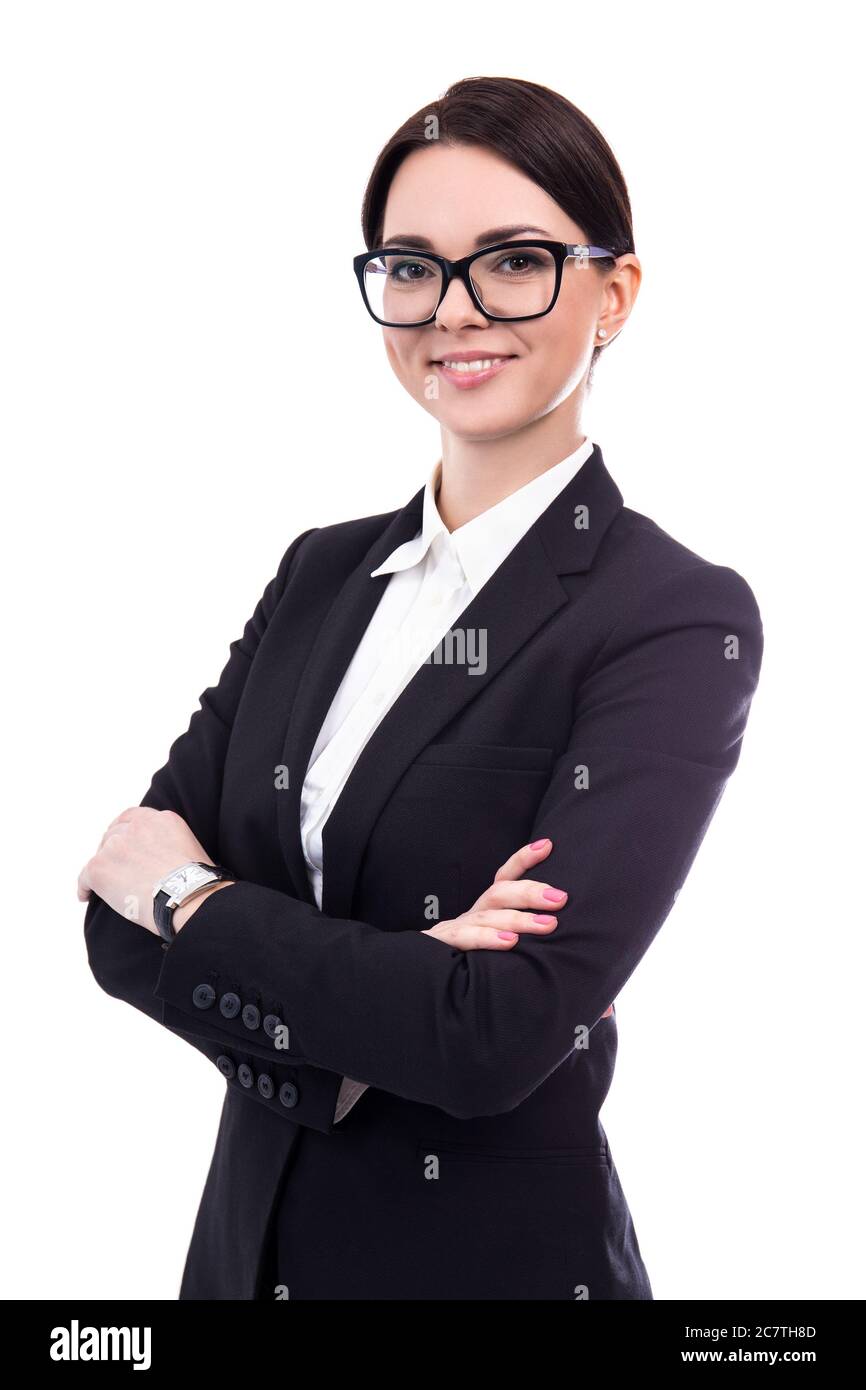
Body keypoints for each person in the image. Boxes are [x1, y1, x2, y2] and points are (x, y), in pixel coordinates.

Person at [80, 75, 763, 1300]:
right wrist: (377, 1005)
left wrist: (190, 894)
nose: (455, 312)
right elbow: (107, 927)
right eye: (411, 266)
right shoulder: (318, 572)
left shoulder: (670, 615)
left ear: (612, 294)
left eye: (511, 262)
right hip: (241, 1263)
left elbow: (494, 1033)